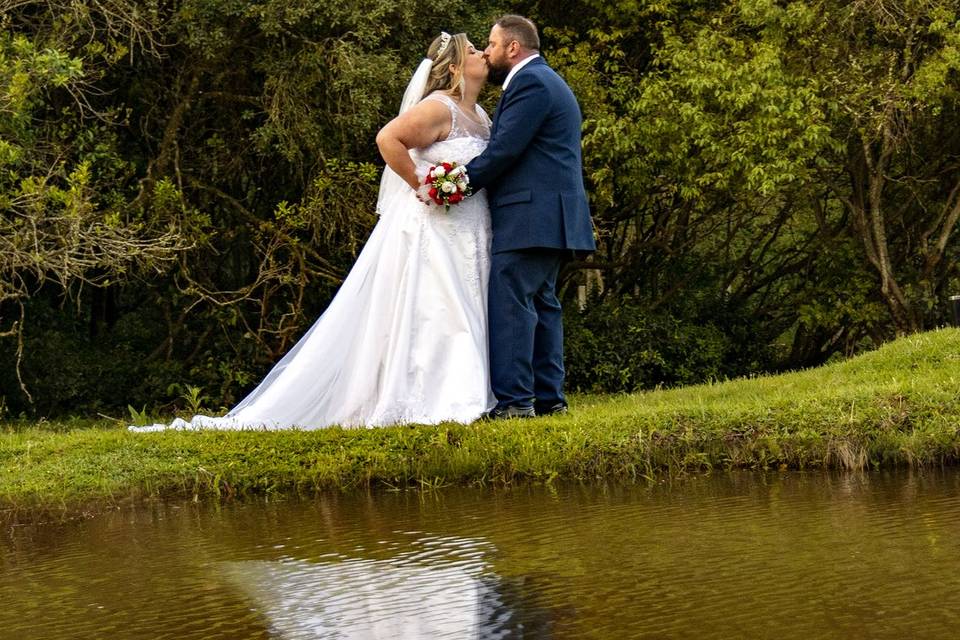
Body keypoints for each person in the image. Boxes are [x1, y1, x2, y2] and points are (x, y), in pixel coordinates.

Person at [130, 32, 496, 431]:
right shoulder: (437, 107)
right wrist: (422, 184)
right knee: (441, 307)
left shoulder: (481, 116)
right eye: (474, 50)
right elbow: (388, 139)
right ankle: (448, 395)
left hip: (471, 226)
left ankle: (470, 388)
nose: (482, 54)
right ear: (457, 67)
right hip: (435, 228)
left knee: (468, 300)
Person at [464, 15, 596, 419]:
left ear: (513, 48)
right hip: (547, 215)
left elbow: (505, 150)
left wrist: (455, 186)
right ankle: (549, 399)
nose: (487, 51)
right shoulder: (543, 80)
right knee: (542, 306)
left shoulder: (531, 83)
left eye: (491, 43)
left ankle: (516, 403)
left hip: (531, 215)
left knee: (512, 306)